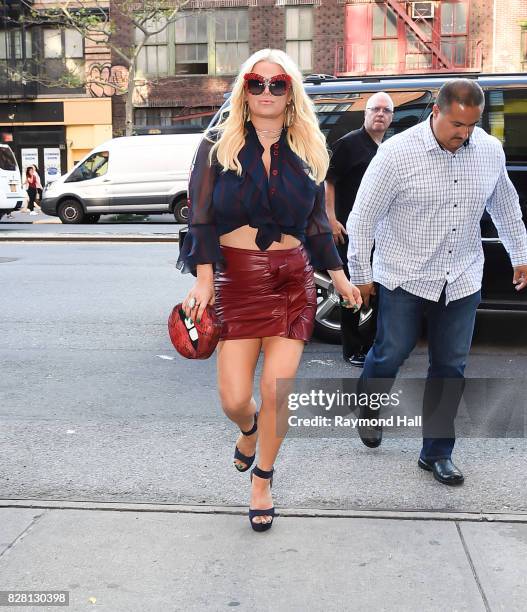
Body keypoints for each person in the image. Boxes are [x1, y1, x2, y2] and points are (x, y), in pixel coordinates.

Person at [177, 48, 362, 531]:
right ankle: (248, 431)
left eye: (276, 84)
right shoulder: (216, 145)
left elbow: (317, 223)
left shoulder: (307, 149)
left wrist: (339, 276)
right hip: (235, 279)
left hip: (290, 280)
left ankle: (263, 478)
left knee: (275, 390)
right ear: (243, 89)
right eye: (256, 83)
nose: (265, 91)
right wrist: (203, 279)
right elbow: (200, 216)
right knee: (235, 399)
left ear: (290, 92)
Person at [346, 79, 527, 485]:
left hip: (461, 276)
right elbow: (362, 219)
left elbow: (505, 205)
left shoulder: (488, 151)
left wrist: (521, 256)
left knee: (450, 366)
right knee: (390, 353)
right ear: (436, 112)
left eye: (471, 126)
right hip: (404, 274)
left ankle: (436, 452)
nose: (464, 135)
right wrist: (361, 276)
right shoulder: (396, 154)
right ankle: (369, 403)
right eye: (456, 126)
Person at [325, 92, 394, 366]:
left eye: (386, 110)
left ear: (391, 117)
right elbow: (328, 180)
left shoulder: (385, 147)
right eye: (374, 109)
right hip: (348, 229)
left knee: (378, 289)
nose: (380, 114)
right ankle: (351, 348)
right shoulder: (349, 144)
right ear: (365, 114)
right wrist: (330, 218)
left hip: (381, 232)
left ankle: (371, 345)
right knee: (351, 290)